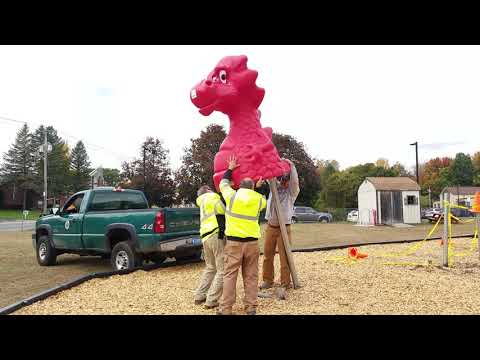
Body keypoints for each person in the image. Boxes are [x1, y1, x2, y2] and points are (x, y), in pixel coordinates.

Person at [217, 155, 266, 315]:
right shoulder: (259, 199)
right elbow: (256, 200)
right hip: (252, 243)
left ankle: (225, 309)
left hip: (234, 243)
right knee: (251, 276)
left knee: (230, 275)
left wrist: (230, 168)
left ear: (240, 186)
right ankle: (250, 307)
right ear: (252, 187)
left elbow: (223, 183)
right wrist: (258, 188)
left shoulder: (232, 196)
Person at [260, 158, 300, 290]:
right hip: (271, 226)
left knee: (285, 257)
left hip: (284, 227)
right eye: (282, 179)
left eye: (285, 179)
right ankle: (267, 280)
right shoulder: (274, 188)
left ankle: (285, 282)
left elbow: (295, 183)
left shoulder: (291, 192)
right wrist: (269, 160)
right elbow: (268, 175)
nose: (283, 181)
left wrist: (292, 166)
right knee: (267, 255)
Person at [194, 185, 226, 309]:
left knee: (210, 267)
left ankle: (199, 295)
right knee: (222, 270)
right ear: (207, 190)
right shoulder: (213, 197)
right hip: (215, 234)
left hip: (205, 236)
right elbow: (223, 211)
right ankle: (212, 300)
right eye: (210, 188)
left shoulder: (201, 202)